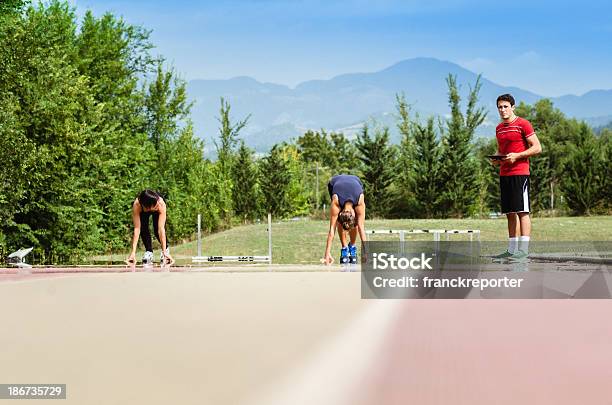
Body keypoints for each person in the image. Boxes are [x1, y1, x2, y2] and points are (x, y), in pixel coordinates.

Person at [490, 94, 542, 262]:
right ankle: (512, 250)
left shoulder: (523, 124)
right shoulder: (499, 128)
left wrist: (517, 156)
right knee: (509, 213)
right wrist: (495, 159)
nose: (502, 110)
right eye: (500, 107)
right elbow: (501, 150)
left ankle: (524, 250)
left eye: (505, 106)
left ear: (513, 107)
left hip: (520, 173)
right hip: (504, 174)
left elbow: (537, 148)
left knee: (522, 211)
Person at [322, 175, 367, 265]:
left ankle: (352, 246)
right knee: (339, 221)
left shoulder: (360, 201)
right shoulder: (336, 202)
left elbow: (361, 228)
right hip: (334, 183)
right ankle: (344, 247)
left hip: (356, 181)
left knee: (357, 223)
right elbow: (332, 229)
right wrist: (327, 254)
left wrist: (366, 253)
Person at [126, 189, 174, 265]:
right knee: (143, 229)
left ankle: (165, 250)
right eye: (155, 205)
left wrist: (165, 252)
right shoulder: (137, 205)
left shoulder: (160, 204)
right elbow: (137, 229)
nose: (157, 205)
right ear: (146, 207)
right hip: (144, 208)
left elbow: (161, 229)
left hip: (153, 206)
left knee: (157, 230)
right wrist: (133, 253)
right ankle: (149, 251)